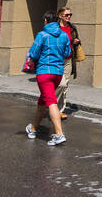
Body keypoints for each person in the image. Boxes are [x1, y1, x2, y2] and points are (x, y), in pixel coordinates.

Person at [25, 9, 74, 146]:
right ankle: (33, 128)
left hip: (44, 73)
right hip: (58, 73)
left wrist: (31, 58)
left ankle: (59, 134)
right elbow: (67, 53)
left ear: (46, 20)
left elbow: (33, 53)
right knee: (42, 101)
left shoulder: (42, 35)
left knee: (51, 102)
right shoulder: (64, 35)